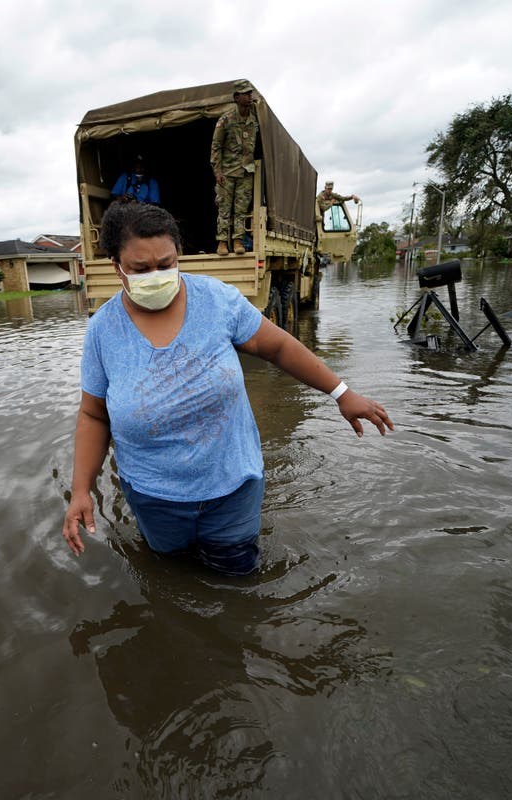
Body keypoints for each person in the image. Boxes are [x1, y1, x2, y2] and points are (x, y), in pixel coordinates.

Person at [61, 203, 394, 575]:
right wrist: (80, 490)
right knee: (171, 577)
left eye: (166, 264)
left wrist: (342, 393)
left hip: (232, 487)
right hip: (154, 496)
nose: (155, 275)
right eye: (140, 269)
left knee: (237, 577)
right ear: (117, 268)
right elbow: (93, 414)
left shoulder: (217, 301)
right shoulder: (103, 331)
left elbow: (279, 347)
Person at [210, 80, 259, 256]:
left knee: (241, 209)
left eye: (250, 93)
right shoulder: (226, 120)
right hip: (227, 172)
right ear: (237, 97)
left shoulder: (254, 119)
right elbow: (216, 147)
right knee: (224, 208)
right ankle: (222, 242)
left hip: (246, 172)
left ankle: (238, 240)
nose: (250, 96)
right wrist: (217, 171)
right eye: (246, 94)